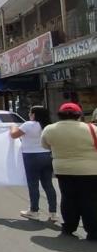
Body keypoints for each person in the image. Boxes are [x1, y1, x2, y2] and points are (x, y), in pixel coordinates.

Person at [41, 102, 97, 240]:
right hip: (89, 171)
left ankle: (69, 227)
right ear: (79, 115)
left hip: (62, 170)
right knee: (89, 201)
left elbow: (45, 145)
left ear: (60, 114)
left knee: (68, 198)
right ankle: (93, 232)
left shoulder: (50, 129)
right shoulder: (91, 128)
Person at [9, 106, 58, 221]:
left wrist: (13, 127)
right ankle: (53, 213)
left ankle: (34, 211)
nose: (29, 114)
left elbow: (14, 135)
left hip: (31, 156)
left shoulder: (28, 125)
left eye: (30, 112)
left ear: (34, 114)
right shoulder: (49, 126)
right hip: (47, 156)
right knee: (48, 185)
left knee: (33, 185)